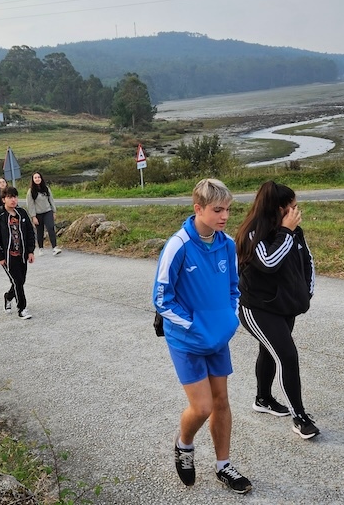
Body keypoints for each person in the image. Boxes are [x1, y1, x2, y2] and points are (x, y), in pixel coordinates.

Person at [152, 178, 252, 495]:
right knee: (203, 407)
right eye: (217, 209)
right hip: (187, 340)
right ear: (199, 209)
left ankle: (224, 466)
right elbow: (161, 299)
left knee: (222, 401)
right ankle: (184, 445)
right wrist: (193, 326)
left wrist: (229, 318)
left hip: (218, 338)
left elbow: (234, 288)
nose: (224, 216)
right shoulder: (178, 245)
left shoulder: (226, 244)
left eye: (228, 209)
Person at [235, 181, 319, 440]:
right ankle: (300, 417)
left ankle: (263, 399)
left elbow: (307, 261)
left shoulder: (295, 231)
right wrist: (285, 231)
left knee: (269, 352)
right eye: (293, 207)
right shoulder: (252, 232)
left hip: (284, 305)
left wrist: (306, 292)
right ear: (280, 209)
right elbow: (269, 262)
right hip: (257, 307)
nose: (297, 211)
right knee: (287, 356)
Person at [0, 186, 35, 319]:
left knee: (20, 280)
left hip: (22, 253)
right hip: (8, 256)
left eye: (15, 197)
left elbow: (30, 233)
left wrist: (30, 251)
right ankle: (22, 308)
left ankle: (8, 297)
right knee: (17, 280)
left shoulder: (22, 213)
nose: (13, 200)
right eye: (10, 197)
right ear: (4, 199)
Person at [26, 172, 61, 256]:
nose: (37, 179)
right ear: (33, 180)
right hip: (38, 214)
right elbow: (30, 205)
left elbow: (51, 200)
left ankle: (54, 247)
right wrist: (33, 216)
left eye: (39, 177)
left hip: (47, 211)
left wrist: (53, 211)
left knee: (50, 228)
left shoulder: (46, 188)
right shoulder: (31, 191)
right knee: (40, 231)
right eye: (35, 178)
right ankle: (41, 248)